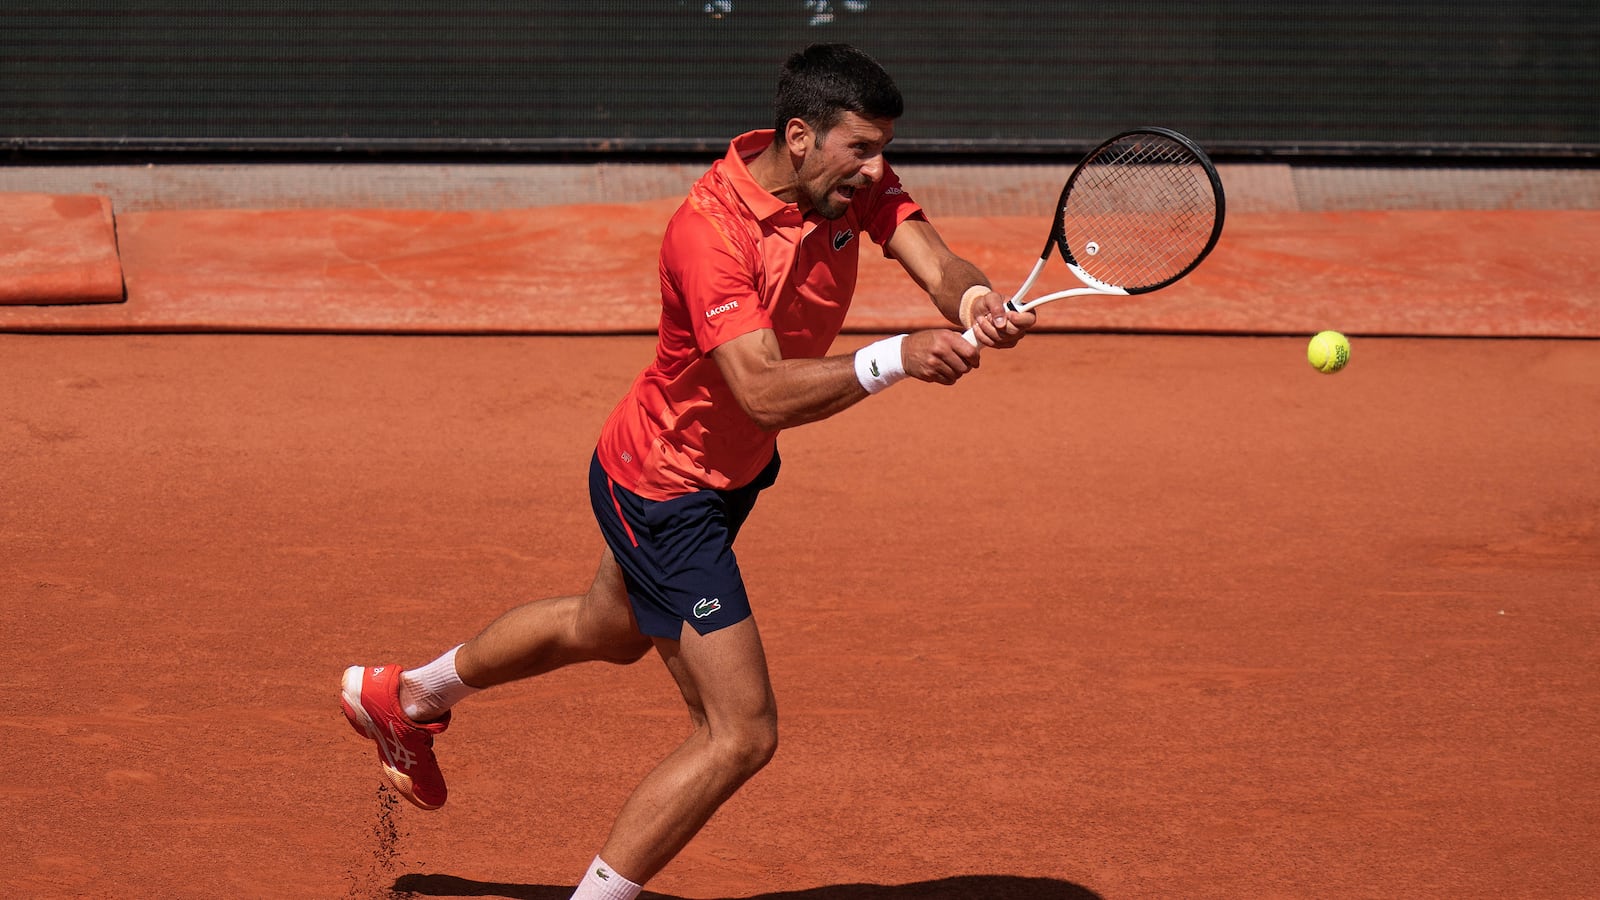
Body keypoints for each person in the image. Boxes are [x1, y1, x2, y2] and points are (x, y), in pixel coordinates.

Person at [340, 42, 1035, 900]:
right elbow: (763, 392)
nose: (877, 168)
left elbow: (934, 259)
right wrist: (896, 357)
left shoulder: (850, 182)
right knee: (740, 733)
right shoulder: (709, 231)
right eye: (862, 147)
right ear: (801, 136)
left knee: (607, 628)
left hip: (720, 472)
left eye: (882, 149)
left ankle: (406, 697)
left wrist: (974, 301)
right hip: (666, 487)